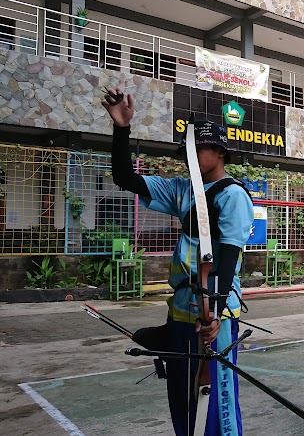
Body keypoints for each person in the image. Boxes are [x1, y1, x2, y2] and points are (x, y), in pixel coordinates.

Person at [102, 87, 254, 436]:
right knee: (184, 405)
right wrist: (121, 129)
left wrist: (213, 312)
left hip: (214, 319)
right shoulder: (182, 189)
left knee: (215, 406)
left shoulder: (233, 196)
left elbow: (226, 260)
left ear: (218, 152)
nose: (188, 158)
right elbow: (125, 178)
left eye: (195, 150)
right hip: (182, 314)